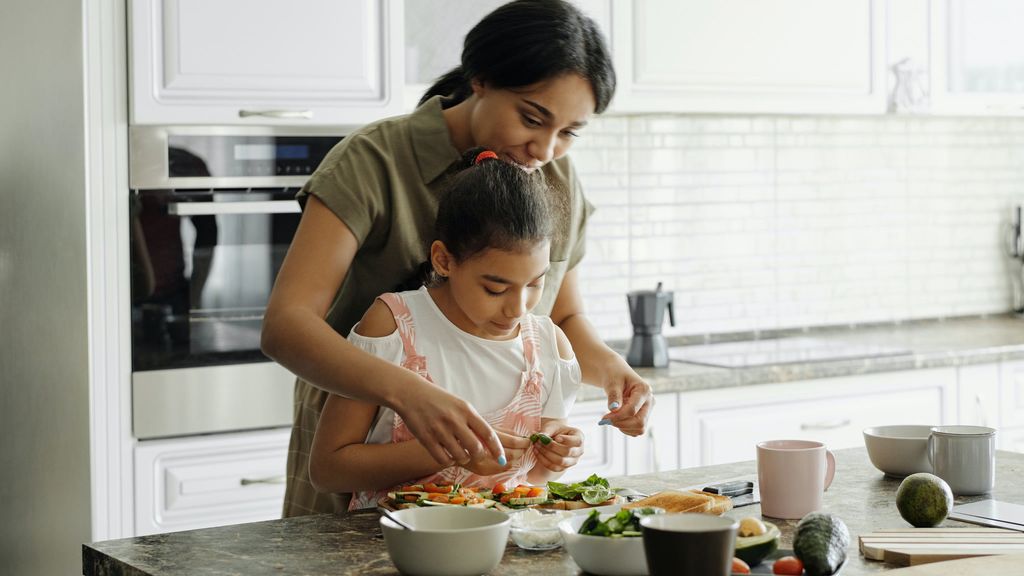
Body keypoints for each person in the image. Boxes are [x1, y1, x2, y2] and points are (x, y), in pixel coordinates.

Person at [261, 0, 655, 517]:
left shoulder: (557, 177)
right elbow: (286, 326)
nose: (545, 148)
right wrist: (410, 394)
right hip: (359, 450)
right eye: (532, 118)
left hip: (487, 497)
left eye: (569, 132)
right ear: (481, 80)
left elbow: (562, 316)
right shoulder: (374, 160)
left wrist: (613, 373)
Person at [309, 148, 584, 508]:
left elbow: (534, 480)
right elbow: (328, 470)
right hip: (392, 549)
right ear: (443, 259)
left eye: (535, 283)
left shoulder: (549, 346)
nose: (518, 308)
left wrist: (557, 458)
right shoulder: (394, 327)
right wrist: (448, 452)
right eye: (495, 288)